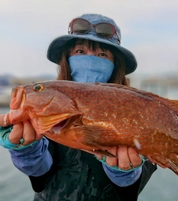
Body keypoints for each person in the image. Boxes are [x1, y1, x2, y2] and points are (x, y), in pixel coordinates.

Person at [0, 14, 157, 201]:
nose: (91, 61)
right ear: (67, 59)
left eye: (102, 55)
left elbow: (131, 191)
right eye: (80, 52)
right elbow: (40, 176)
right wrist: (27, 151)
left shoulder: (137, 108)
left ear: (116, 65)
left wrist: (126, 174)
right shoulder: (50, 108)